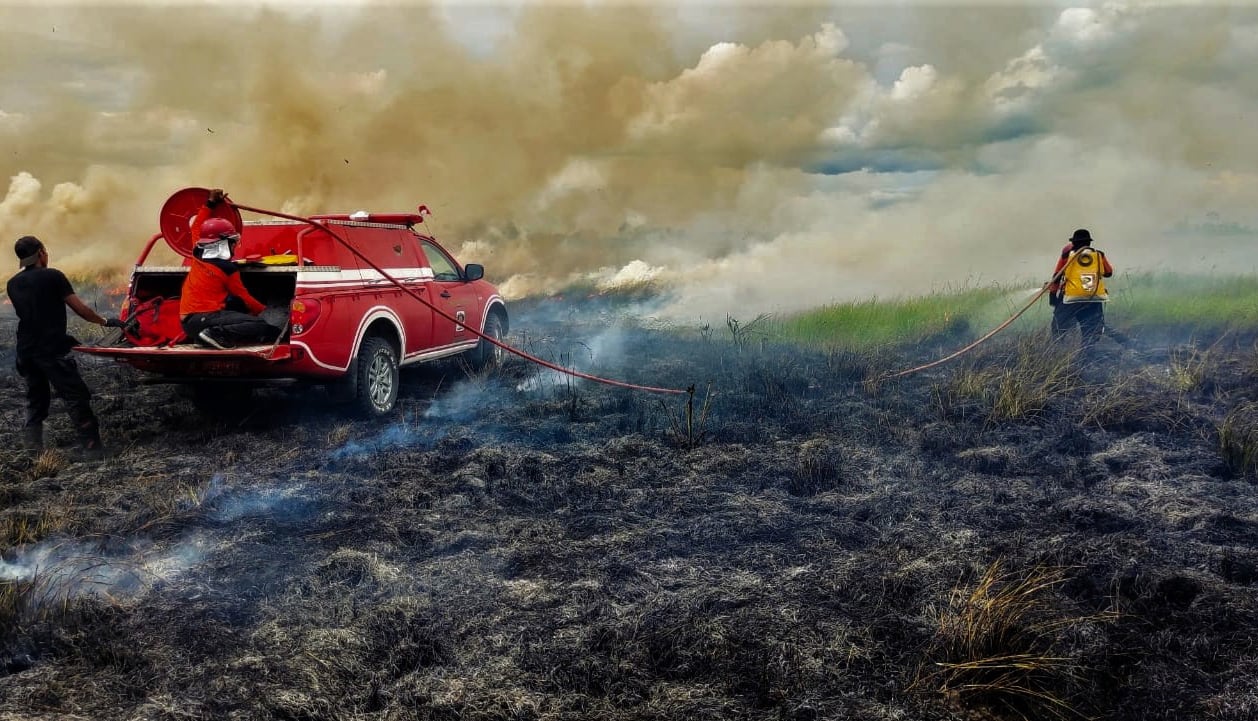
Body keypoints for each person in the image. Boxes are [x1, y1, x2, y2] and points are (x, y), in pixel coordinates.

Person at [7, 235, 124, 458]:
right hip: (50, 349)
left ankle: (32, 453)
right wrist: (106, 322)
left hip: (26, 350)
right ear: (41, 253)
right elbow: (80, 309)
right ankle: (92, 449)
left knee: (36, 398)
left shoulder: (13, 283)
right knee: (75, 395)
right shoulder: (53, 276)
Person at [179, 189, 278, 349]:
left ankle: (204, 337)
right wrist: (267, 312)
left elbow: (197, 225)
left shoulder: (197, 251)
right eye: (232, 242)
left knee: (234, 304)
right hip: (204, 319)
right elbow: (245, 298)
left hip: (188, 324)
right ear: (223, 243)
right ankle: (214, 334)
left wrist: (210, 202)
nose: (233, 246)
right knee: (259, 324)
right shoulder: (227, 269)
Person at [1048, 228, 1119, 351]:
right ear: (1089, 243)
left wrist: (1053, 297)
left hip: (1070, 299)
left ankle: (1058, 352)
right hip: (1093, 298)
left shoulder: (1067, 256)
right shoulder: (1099, 255)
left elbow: (1056, 277)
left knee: (1058, 325)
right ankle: (1086, 355)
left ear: (1074, 243)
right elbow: (1108, 272)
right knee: (1091, 329)